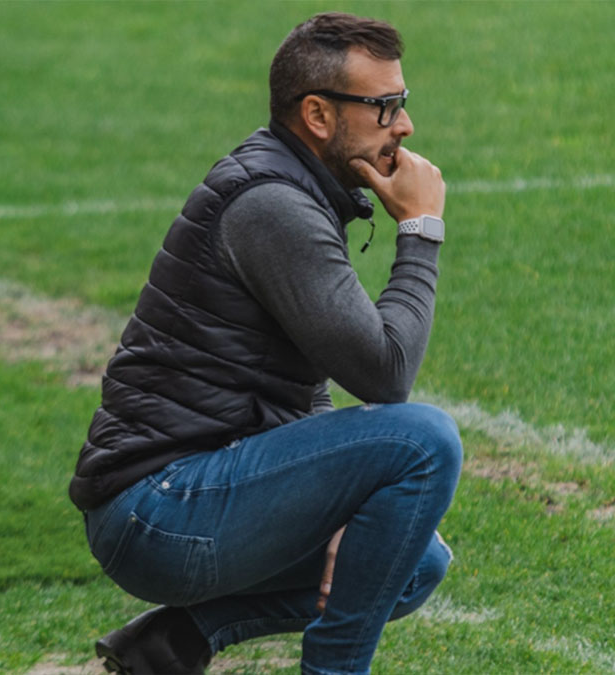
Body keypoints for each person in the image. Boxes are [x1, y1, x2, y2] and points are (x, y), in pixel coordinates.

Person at [69, 12, 461, 675]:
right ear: (317, 115)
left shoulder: (295, 188)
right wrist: (420, 230)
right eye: (385, 106)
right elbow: (386, 373)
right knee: (423, 441)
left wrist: (339, 505)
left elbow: (293, 382)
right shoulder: (272, 205)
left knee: (414, 562)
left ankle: (179, 639)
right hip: (157, 509)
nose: (404, 126)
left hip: (194, 489)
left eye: (404, 103)